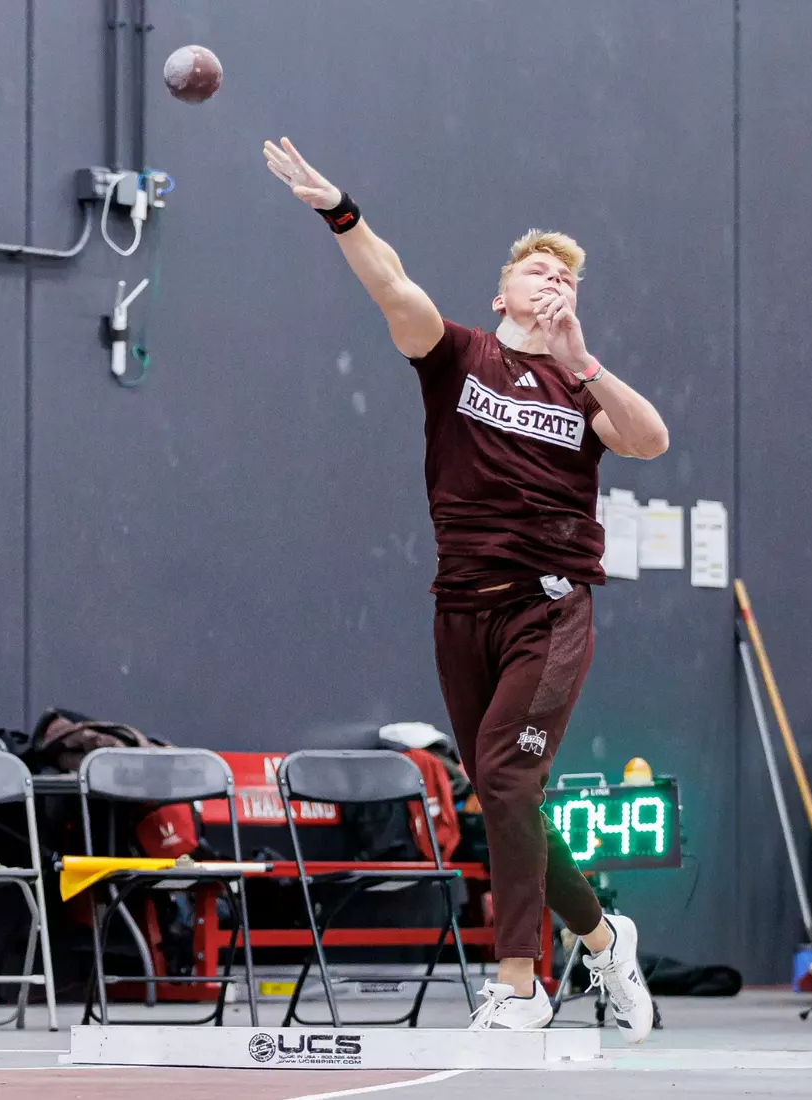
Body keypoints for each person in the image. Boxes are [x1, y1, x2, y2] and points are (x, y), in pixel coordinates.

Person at [263, 137, 669, 1039]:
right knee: (504, 793)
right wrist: (341, 210)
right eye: (536, 268)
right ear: (501, 292)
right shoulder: (459, 355)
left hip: (550, 605)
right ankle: (604, 937)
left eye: (566, 276)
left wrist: (585, 355)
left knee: (504, 772)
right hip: (461, 607)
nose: (552, 278)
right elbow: (392, 287)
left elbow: (650, 442)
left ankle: (520, 984)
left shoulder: (582, 388)